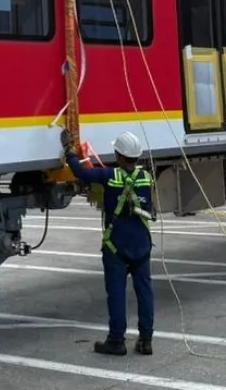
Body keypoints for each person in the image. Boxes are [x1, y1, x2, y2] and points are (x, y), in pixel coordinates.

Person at [61, 128, 156, 357]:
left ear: (120, 156)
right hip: (142, 244)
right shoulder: (146, 177)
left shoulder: (109, 176)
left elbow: (81, 173)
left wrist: (69, 150)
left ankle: (116, 340)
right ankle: (145, 340)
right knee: (145, 291)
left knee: (116, 292)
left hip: (116, 246)